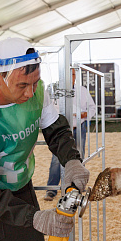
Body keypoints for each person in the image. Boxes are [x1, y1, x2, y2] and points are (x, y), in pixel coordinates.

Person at [0, 38, 90, 241]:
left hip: (22, 190)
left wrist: (72, 160)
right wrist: (34, 218)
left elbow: (56, 131)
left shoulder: (37, 91)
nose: (30, 92)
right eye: (22, 85)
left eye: (35, 83)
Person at [44, 68, 96, 201]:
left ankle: (77, 186)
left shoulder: (82, 90)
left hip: (79, 126)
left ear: (75, 76)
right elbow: (51, 109)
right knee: (56, 158)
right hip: (62, 128)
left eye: (72, 74)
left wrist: (84, 115)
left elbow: (92, 108)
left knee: (79, 155)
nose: (70, 77)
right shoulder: (54, 91)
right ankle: (52, 189)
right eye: (67, 75)